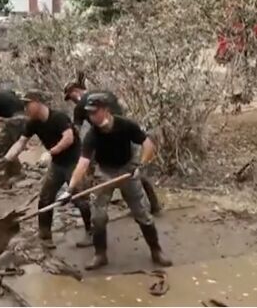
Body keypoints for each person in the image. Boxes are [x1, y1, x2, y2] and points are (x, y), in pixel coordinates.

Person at [59, 92, 173, 270]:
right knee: (98, 217)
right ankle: (100, 255)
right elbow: (83, 163)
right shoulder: (92, 135)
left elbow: (148, 145)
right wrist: (70, 188)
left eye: (95, 112)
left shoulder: (126, 125)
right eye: (89, 113)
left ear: (105, 110)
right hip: (105, 172)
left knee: (142, 213)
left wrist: (140, 166)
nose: (91, 116)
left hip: (127, 170)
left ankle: (156, 250)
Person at [0, 90, 93, 249]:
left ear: (38, 102)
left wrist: (50, 153)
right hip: (57, 164)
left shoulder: (59, 118)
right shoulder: (33, 123)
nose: (25, 108)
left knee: (80, 198)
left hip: (73, 163)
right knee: (45, 198)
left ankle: (91, 231)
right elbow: (21, 143)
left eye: (28, 104)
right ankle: (45, 235)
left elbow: (68, 138)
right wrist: (7, 158)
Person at [63, 81, 163, 216]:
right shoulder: (107, 95)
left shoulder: (81, 107)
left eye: (71, 97)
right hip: (125, 136)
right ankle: (153, 205)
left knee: (107, 170)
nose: (72, 101)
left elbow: (77, 131)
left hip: (108, 140)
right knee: (135, 169)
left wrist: (81, 151)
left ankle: (107, 204)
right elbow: (122, 113)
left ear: (75, 91)